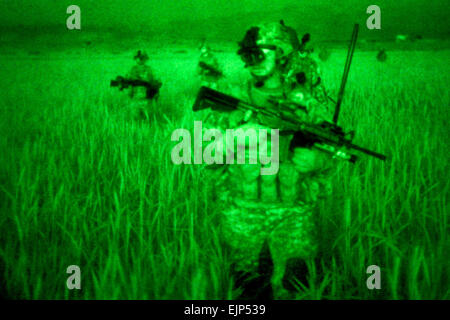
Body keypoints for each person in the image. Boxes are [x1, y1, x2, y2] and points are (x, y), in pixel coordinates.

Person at [199, 22, 334, 299]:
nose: (253, 62)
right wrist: (233, 140)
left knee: (299, 289)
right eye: (248, 56)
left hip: (294, 218)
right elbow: (207, 157)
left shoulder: (307, 103)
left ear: (282, 53)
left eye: (260, 54)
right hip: (242, 217)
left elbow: (333, 157)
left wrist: (317, 160)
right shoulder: (233, 100)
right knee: (247, 293)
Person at [126, 50, 161, 120]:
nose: (140, 60)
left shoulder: (150, 70)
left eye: (142, 58)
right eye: (139, 58)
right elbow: (127, 83)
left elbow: (157, 83)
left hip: (146, 99)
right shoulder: (132, 70)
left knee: (147, 120)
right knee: (137, 119)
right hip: (136, 99)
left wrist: (155, 94)